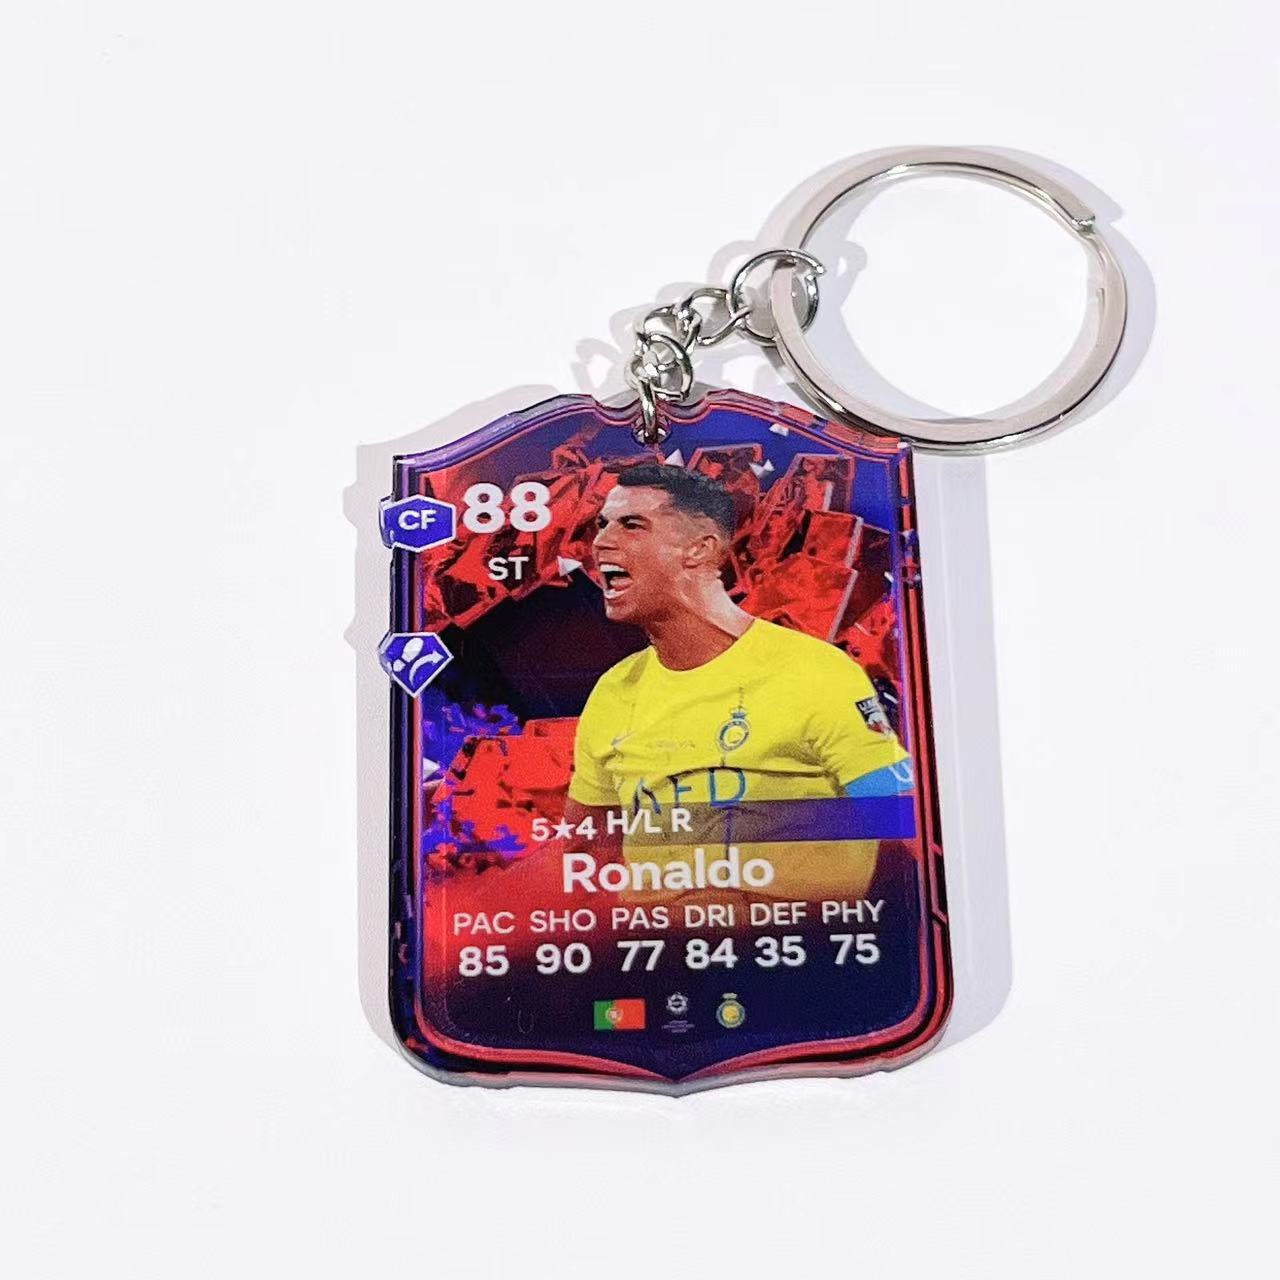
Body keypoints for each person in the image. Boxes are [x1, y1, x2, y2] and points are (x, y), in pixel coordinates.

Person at [564, 462, 912, 900]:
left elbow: (900, 819)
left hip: (800, 938)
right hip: (657, 939)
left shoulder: (815, 672)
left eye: (631, 525)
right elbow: (584, 845)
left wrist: (759, 876)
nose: (600, 542)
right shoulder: (613, 691)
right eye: (603, 524)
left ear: (699, 549)